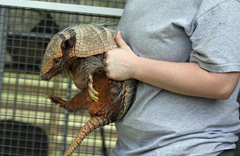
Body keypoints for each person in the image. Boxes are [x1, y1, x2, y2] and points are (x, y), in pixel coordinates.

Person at [73, 0, 240, 155]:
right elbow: (130, 61)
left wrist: (134, 67)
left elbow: (221, 83)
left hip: (191, 148)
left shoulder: (218, 3)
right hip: (129, 148)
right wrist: (97, 73)